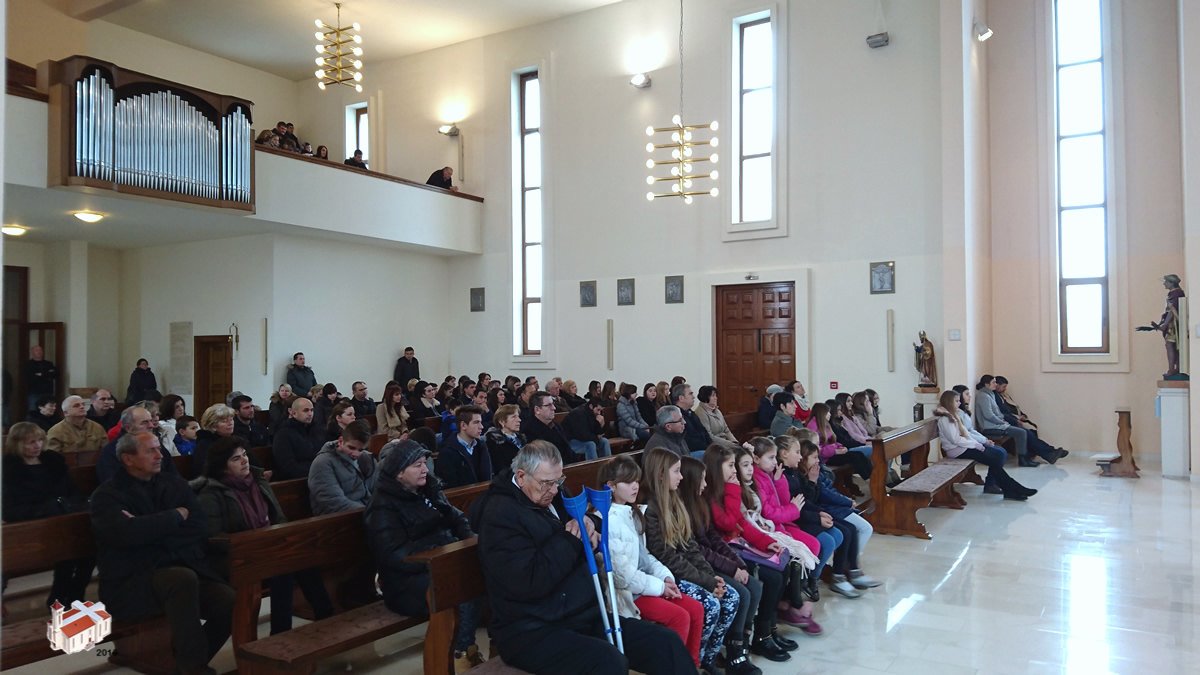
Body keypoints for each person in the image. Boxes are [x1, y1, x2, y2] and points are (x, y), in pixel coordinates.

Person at [468, 441, 694, 675]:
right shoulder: (500, 516)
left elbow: (584, 521)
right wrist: (570, 539)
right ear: (522, 476)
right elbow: (528, 581)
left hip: (580, 615)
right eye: (547, 483)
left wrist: (591, 524)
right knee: (608, 662)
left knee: (665, 643)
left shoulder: (553, 495)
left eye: (558, 481)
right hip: (531, 629)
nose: (554, 490)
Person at [91, 431, 233, 675]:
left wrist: (148, 527)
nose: (160, 455)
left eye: (159, 448)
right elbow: (126, 535)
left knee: (227, 599)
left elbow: (199, 526)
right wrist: (175, 516)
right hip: (132, 579)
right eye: (151, 451)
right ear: (128, 459)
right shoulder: (107, 496)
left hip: (180, 566)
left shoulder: (173, 483)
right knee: (181, 579)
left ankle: (186, 662)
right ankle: (193, 669)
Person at [191, 436, 334, 635]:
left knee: (302, 558)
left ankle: (328, 620)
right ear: (222, 466)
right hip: (234, 558)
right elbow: (211, 537)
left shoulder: (257, 481)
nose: (244, 461)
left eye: (245, 455)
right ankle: (280, 633)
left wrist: (281, 539)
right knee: (282, 568)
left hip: (266, 548)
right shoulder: (211, 493)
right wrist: (254, 544)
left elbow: (278, 517)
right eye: (236, 459)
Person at [366, 440, 484, 671]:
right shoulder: (382, 505)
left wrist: (469, 539)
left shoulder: (428, 490)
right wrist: (442, 553)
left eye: (424, 464)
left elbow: (457, 517)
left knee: (492, 570)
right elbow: (394, 555)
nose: (425, 470)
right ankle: (459, 655)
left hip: (440, 565)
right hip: (405, 583)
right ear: (399, 473)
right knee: (460, 586)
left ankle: (497, 644)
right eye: (417, 465)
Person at [597, 455, 706, 670]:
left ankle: (691, 666)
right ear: (610, 486)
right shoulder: (607, 520)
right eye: (628, 481)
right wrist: (660, 587)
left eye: (636, 480)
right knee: (679, 617)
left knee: (695, 609)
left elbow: (645, 556)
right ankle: (674, 668)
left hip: (645, 585)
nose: (635, 486)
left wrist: (665, 577)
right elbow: (623, 577)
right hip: (627, 594)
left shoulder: (632, 512)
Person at [641, 447, 740, 674]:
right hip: (669, 575)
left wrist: (711, 577)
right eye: (676, 471)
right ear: (661, 474)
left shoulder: (675, 500)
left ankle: (707, 659)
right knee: (711, 605)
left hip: (687, 570)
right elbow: (667, 556)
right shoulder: (650, 508)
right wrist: (705, 581)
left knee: (731, 597)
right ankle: (691, 662)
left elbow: (690, 546)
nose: (681, 477)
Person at [704, 445, 817, 643]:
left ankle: (770, 629)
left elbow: (743, 523)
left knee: (784, 568)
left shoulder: (728, 489)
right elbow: (728, 524)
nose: (734, 470)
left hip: (739, 544)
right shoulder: (712, 495)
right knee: (772, 578)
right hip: (726, 550)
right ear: (716, 467)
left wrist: (767, 542)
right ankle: (760, 636)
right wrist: (733, 490)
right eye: (730, 466)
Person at [3, 423, 94, 607]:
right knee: (65, 553)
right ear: (17, 443)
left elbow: (72, 490)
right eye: (31, 442)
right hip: (34, 525)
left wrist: (69, 504)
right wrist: (47, 508)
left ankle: (75, 595)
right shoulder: (9, 470)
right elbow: (10, 509)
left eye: (39, 440)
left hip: (64, 518)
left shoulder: (53, 462)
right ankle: (59, 598)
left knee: (88, 549)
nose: (37, 445)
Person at [774, 437, 870, 598]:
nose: (799, 457)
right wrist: (818, 516)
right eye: (797, 453)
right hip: (797, 520)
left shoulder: (794, 473)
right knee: (830, 540)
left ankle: (840, 573)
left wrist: (819, 512)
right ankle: (813, 578)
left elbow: (807, 501)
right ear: (784, 454)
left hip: (807, 514)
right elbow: (796, 508)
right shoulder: (784, 476)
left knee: (845, 531)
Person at [935, 390, 1036, 500]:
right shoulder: (946, 419)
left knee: (998, 454)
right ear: (949, 402)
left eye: (959, 400)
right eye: (956, 401)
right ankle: (1010, 488)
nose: (959, 403)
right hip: (957, 451)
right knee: (997, 456)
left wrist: (980, 442)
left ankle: (1009, 488)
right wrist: (975, 445)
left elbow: (966, 433)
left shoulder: (954, 415)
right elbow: (956, 440)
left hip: (964, 447)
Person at [308, 421, 377, 515]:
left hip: (363, 511)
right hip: (337, 518)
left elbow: (377, 488)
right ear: (341, 441)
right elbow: (333, 502)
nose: (356, 454)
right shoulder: (322, 463)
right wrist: (371, 512)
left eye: (361, 449)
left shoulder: (366, 458)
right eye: (351, 448)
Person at [973, 375, 1042, 466]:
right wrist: (1002, 422)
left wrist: (1002, 420)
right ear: (986, 384)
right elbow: (989, 415)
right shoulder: (983, 396)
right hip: (989, 426)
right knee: (1021, 432)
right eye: (993, 382)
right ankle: (1023, 460)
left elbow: (997, 413)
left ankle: (1025, 458)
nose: (996, 384)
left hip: (997, 424)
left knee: (1023, 431)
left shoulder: (990, 394)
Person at [805, 402, 872, 479]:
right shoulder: (813, 427)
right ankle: (869, 479)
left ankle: (872, 477)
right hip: (825, 458)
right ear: (821, 413)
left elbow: (833, 441)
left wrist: (840, 447)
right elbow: (817, 449)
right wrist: (835, 451)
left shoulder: (825, 424)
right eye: (827, 412)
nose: (830, 414)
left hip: (831, 454)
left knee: (859, 455)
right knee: (855, 457)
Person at [435, 405, 492, 488]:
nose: (481, 427)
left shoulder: (481, 446)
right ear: (463, 425)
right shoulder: (447, 452)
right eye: (476, 422)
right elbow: (451, 487)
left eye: (481, 422)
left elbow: (487, 477)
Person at [272, 397, 324, 481]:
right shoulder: (283, 434)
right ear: (293, 413)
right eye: (305, 410)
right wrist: (318, 469)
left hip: (319, 474)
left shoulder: (317, 430)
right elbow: (288, 467)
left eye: (312, 410)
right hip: (298, 481)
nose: (310, 414)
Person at [522, 390, 579, 463]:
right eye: (548, 405)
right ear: (537, 409)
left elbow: (568, 450)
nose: (554, 408)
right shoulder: (529, 431)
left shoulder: (556, 426)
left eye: (553, 404)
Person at [191, 404, 237, 479]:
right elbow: (204, 472)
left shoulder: (234, 440)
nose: (230, 423)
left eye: (231, 419)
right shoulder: (205, 445)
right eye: (224, 421)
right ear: (213, 426)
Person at [484, 404, 525, 474]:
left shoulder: (522, 439)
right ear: (502, 421)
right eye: (513, 417)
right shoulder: (493, 442)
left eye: (518, 416)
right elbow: (499, 468)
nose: (519, 420)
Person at [25, 344, 58, 414]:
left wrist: (41, 375)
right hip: (34, 393)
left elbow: (55, 374)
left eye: (40, 350)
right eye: (37, 350)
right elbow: (31, 377)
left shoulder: (48, 364)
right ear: (32, 352)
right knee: (33, 412)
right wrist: (46, 374)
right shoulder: (29, 365)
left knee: (48, 412)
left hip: (48, 393)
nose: (39, 352)